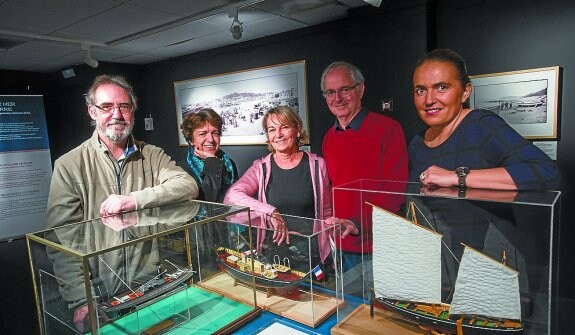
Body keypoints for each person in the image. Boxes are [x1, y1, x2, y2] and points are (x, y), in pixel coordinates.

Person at [45, 74, 198, 331]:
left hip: (151, 284)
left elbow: (187, 186)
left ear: (133, 112)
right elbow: (61, 241)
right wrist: (82, 299)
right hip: (100, 294)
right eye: (107, 106)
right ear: (92, 112)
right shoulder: (69, 166)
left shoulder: (152, 155)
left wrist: (133, 200)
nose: (116, 114)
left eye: (124, 106)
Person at [410, 48, 560, 191]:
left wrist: (457, 177)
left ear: (465, 92)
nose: (429, 100)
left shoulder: (481, 125)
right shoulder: (417, 143)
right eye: (421, 90)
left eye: (441, 87)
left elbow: (546, 172)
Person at [320, 61, 409, 284]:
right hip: (340, 244)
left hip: (377, 246)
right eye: (330, 92)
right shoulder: (329, 138)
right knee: (349, 314)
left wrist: (358, 224)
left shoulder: (388, 129)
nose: (337, 98)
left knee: (380, 317)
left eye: (344, 89)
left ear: (360, 89)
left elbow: (395, 192)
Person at [224, 106, 334, 268]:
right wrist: (270, 211)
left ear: (297, 129)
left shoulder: (317, 165)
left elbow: (326, 212)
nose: (278, 135)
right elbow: (231, 196)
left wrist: (328, 252)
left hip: (309, 254)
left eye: (284, 127)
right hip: (274, 255)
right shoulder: (261, 168)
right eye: (272, 129)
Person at [178, 108, 238, 202]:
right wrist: (212, 162)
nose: (210, 139)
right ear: (191, 140)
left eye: (215, 133)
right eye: (202, 134)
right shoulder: (182, 169)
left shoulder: (229, 164)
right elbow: (209, 201)